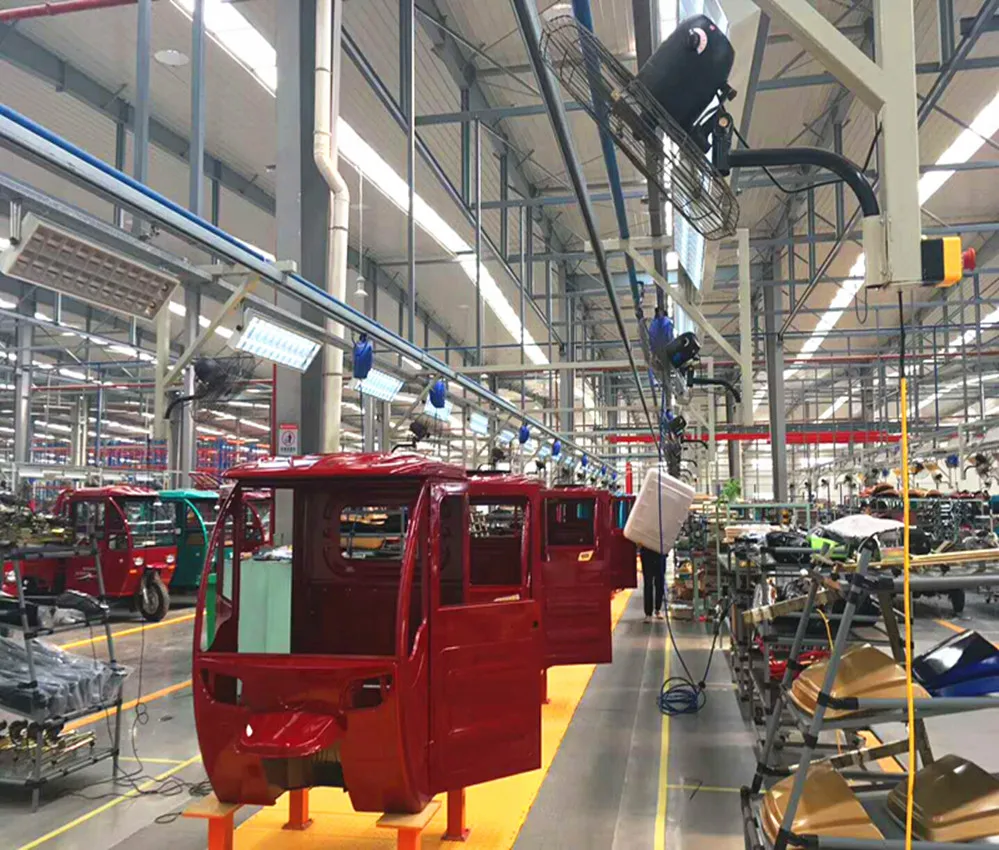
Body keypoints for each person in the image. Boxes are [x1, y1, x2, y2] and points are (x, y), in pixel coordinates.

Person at [640, 545, 666, 623]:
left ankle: (658, 609)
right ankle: (648, 613)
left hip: (660, 553)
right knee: (648, 584)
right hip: (647, 554)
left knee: (660, 583)